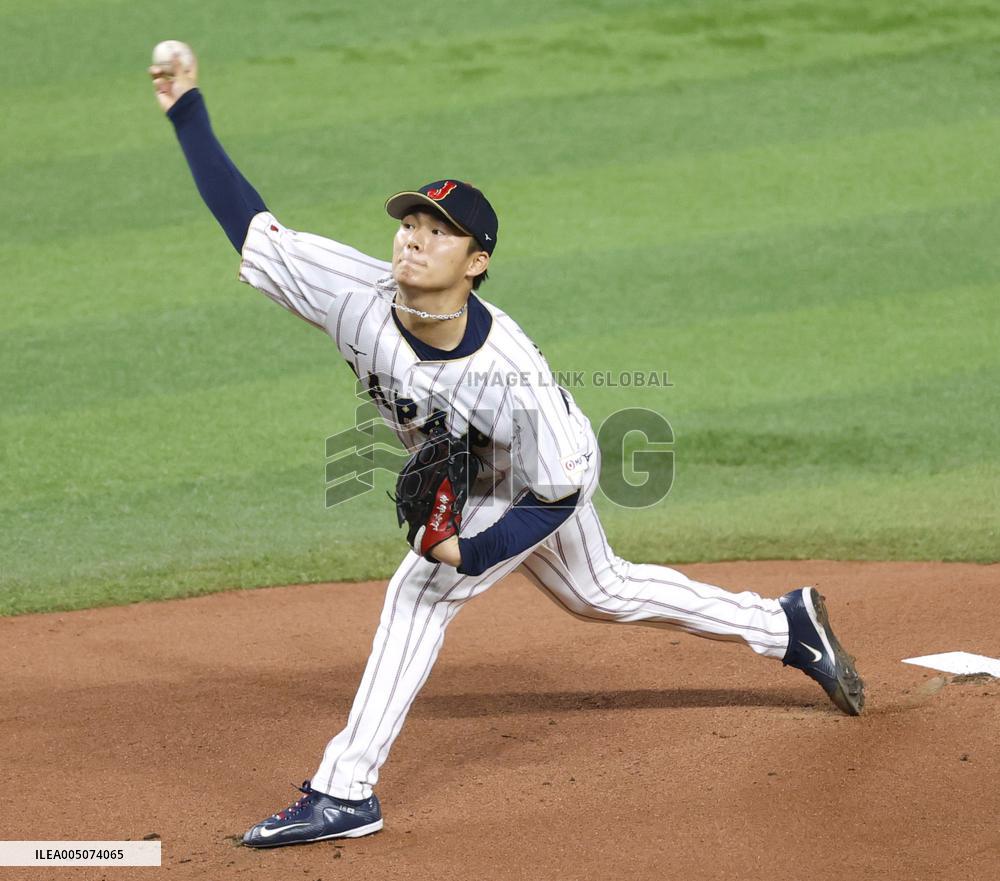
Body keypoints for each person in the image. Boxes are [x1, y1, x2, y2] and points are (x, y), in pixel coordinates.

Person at [149, 48, 865, 849]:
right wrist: (187, 108)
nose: (412, 240)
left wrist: (471, 549)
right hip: (470, 471)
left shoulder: (511, 373)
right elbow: (248, 223)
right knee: (600, 589)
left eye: (438, 232)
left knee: (418, 592)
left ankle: (345, 790)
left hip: (530, 478)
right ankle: (785, 623)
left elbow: (560, 487)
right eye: (409, 224)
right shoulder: (349, 290)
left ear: (477, 262)